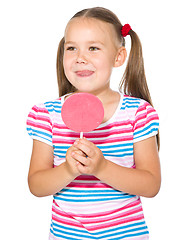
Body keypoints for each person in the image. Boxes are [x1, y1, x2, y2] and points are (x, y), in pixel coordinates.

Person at [26, 7, 161, 240]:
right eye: (71, 48)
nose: (80, 57)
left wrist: (101, 168)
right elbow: (37, 185)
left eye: (93, 48)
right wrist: (68, 170)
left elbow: (151, 185)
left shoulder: (137, 113)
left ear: (118, 57)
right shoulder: (46, 114)